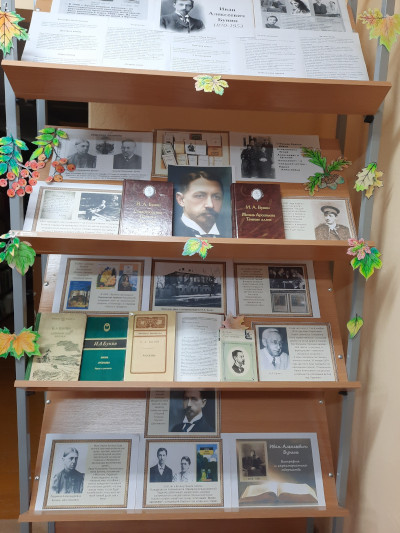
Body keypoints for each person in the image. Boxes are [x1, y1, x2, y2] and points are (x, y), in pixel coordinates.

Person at [174, 171, 225, 237]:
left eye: (216, 197)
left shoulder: (228, 235)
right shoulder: (172, 233)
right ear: (181, 200)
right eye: (200, 196)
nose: (210, 205)